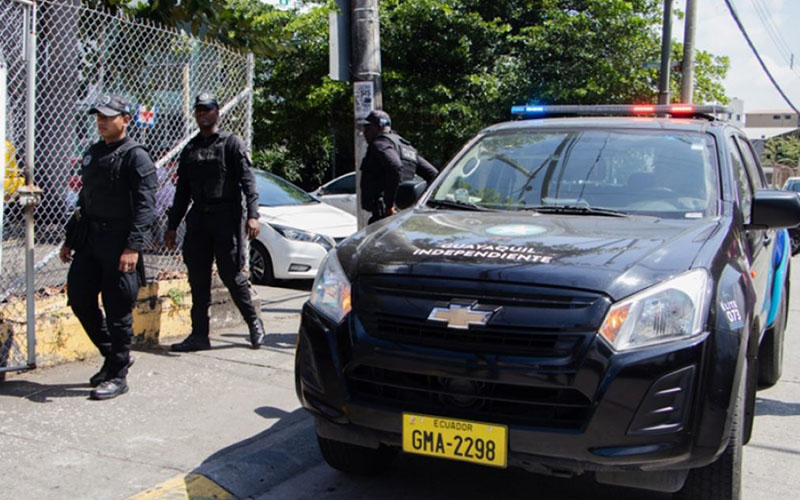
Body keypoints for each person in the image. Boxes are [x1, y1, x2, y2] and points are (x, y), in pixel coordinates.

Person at [59, 94, 157, 400]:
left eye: (108, 116)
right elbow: (84, 201)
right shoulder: (93, 153)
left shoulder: (135, 156)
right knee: (79, 297)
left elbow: (146, 206)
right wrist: (70, 239)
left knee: (118, 310)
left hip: (119, 241)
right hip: (90, 239)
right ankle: (114, 354)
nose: (101, 121)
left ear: (125, 120)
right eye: (98, 116)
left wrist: (133, 246)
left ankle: (118, 375)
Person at [165, 92, 265, 352]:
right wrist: (172, 226)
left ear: (217, 112)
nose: (202, 114)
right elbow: (182, 192)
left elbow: (248, 183)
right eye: (199, 110)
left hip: (226, 217)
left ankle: (254, 322)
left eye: (207, 110)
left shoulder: (231, 143)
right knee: (197, 280)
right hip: (199, 218)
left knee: (231, 275)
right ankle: (199, 335)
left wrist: (253, 215)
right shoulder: (190, 149)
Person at [359, 110, 438, 223]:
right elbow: (433, 174)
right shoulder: (406, 147)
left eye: (368, 127)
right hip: (403, 217)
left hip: (384, 217)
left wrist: (389, 206)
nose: (364, 132)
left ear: (379, 126)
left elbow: (395, 166)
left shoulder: (379, 144)